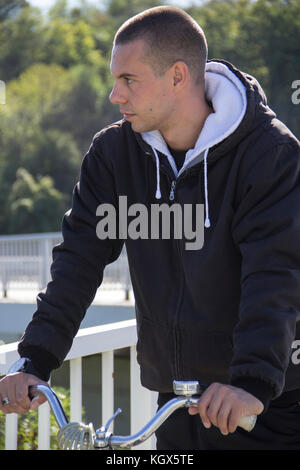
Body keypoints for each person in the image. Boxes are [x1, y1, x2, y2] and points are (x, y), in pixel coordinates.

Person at [1, 5, 300, 450]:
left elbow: (275, 276)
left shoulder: (268, 154)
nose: (114, 96)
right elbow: (78, 263)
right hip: (175, 399)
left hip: (263, 405)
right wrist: (35, 359)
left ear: (178, 76)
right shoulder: (113, 154)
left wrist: (252, 382)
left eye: (128, 80)